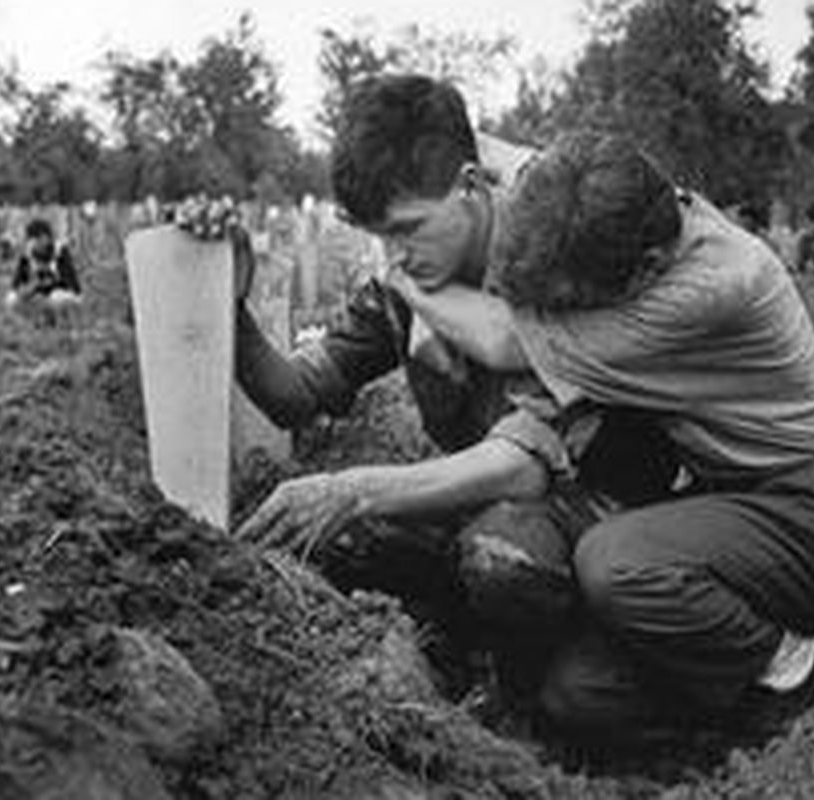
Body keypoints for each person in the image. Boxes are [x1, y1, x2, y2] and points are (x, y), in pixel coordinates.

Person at [178, 75, 681, 697]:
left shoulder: (554, 255)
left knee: (505, 564)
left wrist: (352, 490)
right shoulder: (406, 278)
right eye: (379, 234)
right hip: (491, 502)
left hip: (605, 515)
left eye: (409, 227)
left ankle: (536, 689)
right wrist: (229, 301)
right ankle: (465, 652)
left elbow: (524, 466)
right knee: (329, 535)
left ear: (470, 185)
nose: (394, 253)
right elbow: (295, 396)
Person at [399, 131, 814, 742]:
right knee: (579, 698)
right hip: (718, 504)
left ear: (644, 270)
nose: (562, 310)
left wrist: (405, 282)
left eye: (574, 302)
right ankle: (727, 706)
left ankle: (792, 672)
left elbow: (499, 338)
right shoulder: (637, 214)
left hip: (805, 516)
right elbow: (494, 148)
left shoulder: (705, 292)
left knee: (614, 563)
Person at [4, 218, 82, 326]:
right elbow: (16, 284)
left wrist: (45, 284)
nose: (35, 243)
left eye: (38, 238)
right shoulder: (27, 254)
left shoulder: (60, 251)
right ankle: (34, 321)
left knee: (56, 298)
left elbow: (72, 285)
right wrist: (25, 291)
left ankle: (60, 321)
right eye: (32, 240)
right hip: (38, 296)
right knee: (12, 299)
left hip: (62, 294)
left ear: (46, 238)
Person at [763, 198, 801, 271]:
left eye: (776, 211)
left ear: (787, 212)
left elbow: (791, 258)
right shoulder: (773, 231)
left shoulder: (794, 233)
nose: (772, 214)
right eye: (772, 211)